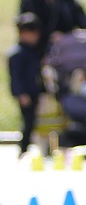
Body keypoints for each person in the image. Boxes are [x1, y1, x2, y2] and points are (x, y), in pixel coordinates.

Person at [8, 13, 43, 155]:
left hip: (35, 91)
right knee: (28, 121)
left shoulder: (34, 52)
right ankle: (24, 148)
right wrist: (21, 93)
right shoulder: (17, 54)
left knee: (35, 120)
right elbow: (16, 77)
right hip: (26, 93)